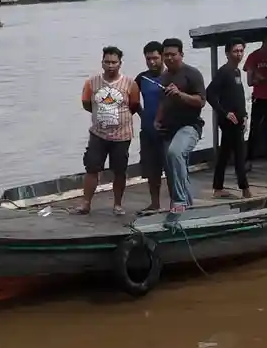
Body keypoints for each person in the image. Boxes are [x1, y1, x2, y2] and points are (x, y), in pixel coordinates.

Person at [77, 45, 140, 216]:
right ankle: (86, 203)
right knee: (92, 167)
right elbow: (87, 104)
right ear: (102, 63)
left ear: (120, 63)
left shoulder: (130, 84)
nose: (110, 65)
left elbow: (134, 105)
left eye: (114, 62)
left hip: (122, 136)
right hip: (98, 134)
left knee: (119, 171)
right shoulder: (91, 83)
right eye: (107, 62)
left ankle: (117, 204)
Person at [155, 38, 207, 215]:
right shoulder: (164, 76)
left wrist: (180, 94)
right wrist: (157, 119)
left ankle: (180, 201)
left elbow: (201, 101)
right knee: (172, 168)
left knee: (175, 153)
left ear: (181, 54)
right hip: (169, 127)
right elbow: (163, 102)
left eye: (173, 54)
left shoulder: (192, 74)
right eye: (166, 55)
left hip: (190, 126)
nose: (169, 58)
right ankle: (187, 206)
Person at [207, 41, 252, 199]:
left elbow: (238, 96)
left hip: (238, 120)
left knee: (224, 154)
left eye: (241, 51)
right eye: (235, 51)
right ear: (227, 53)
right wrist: (224, 113)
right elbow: (210, 94)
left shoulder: (236, 71)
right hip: (229, 121)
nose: (239, 54)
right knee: (239, 154)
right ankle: (245, 189)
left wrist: (244, 115)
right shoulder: (224, 72)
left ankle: (218, 187)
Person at [135, 41, 167, 212]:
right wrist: (143, 114)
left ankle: (178, 203)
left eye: (155, 58)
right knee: (152, 171)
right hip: (148, 130)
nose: (152, 62)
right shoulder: (142, 78)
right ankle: (155, 204)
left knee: (171, 169)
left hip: (167, 130)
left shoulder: (170, 76)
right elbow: (131, 99)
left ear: (162, 57)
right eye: (148, 59)